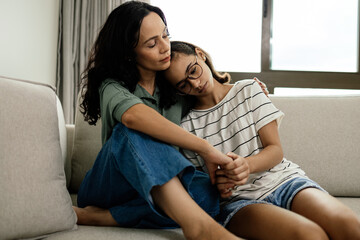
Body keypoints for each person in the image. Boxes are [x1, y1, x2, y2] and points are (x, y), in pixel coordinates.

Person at [74, 2, 246, 240]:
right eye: (152, 44)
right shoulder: (112, 85)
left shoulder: (176, 88)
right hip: (112, 186)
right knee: (132, 131)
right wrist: (205, 149)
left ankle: (102, 217)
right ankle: (198, 226)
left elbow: (208, 93)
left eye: (166, 35)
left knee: (210, 193)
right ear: (128, 53)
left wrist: (241, 90)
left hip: (158, 191)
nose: (166, 47)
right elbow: (134, 117)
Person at [162, 40, 360, 240]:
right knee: (310, 235)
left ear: (200, 55)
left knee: (349, 225)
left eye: (193, 71)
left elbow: (275, 150)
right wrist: (221, 185)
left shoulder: (249, 89)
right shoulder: (185, 128)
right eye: (183, 85)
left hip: (286, 181)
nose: (194, 84)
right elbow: (204, 183)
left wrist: (246, 165)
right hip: (240, 202)